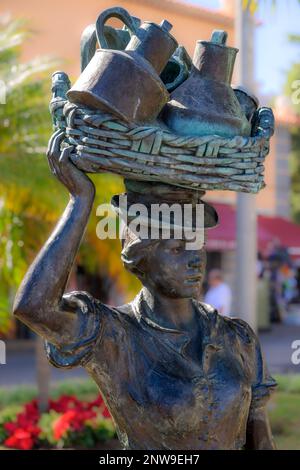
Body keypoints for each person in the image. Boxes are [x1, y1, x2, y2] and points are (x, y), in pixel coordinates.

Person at [13, 131, 276, 450]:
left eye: (198, 245)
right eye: (178, 249)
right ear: (142, 258)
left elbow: (260, 439)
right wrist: (80, 201)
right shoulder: (113, 336)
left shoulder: (239, 338)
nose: (195, 260)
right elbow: (35, 308)